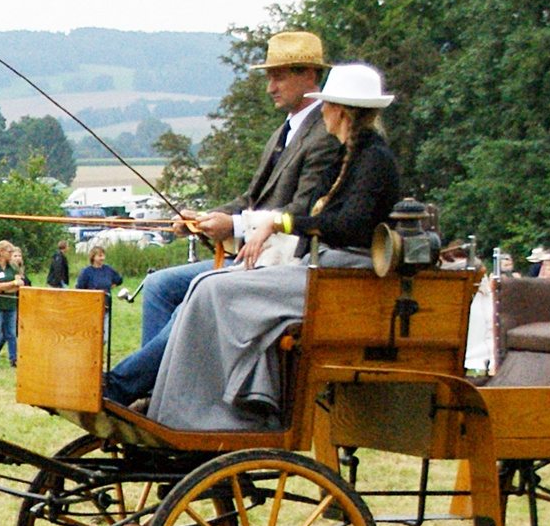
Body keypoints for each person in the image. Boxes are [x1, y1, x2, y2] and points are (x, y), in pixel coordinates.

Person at [115, 63, 401, 423]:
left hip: (338, 273)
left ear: (339, 111)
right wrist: (210, 222)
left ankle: (142, 393)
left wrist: (275, 222)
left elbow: (345, 225)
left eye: (325, 104)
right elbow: (263, 204)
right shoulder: (349, 153)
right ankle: (150, 394)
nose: (323, 112)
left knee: (210, 288)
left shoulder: (373, 159)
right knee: (198, 285)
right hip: (316, 265)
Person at [105, 31, 340, 394]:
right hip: (251, 256)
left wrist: (232, 224)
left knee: (197, 293)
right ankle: (155, 391)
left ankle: (123, 385)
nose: (269, 87)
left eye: (278, 76)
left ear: (308, 75)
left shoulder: (324, 134)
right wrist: (201, 219)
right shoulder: (286, 131)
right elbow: (251, 200)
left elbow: (301, 211)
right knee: (157, 285)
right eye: (269, 77)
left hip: (279, 264)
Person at [0, 240, 29, 367]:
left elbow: (20, 285)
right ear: (1, 252)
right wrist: (12, 284)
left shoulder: (13, 268)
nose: (12, 254)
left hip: (11, 304)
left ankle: (13, 359)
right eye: (10, 252)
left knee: (11, 333)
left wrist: (6, 287)